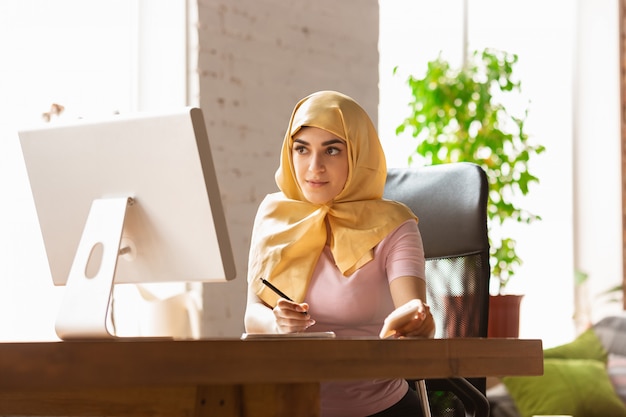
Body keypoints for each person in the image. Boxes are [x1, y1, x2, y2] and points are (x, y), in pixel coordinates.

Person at [244, 90, 436, 417]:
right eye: (301, 150)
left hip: (378, 409)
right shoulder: (274, 216)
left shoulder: (394, 225)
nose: (313, 167)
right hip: (287, 404)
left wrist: (416, 321)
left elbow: (413, 312)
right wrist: (278, 322)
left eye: (331, 150)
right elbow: (252, 313)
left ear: (359, 155)